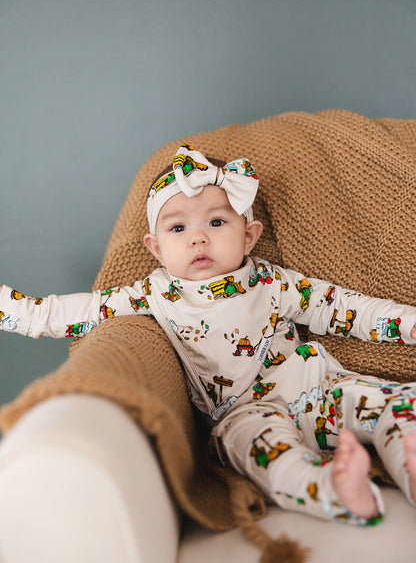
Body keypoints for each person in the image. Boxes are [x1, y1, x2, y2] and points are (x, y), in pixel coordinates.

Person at [2, 144, 416, 525]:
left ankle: (408, 459)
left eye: (217, 222)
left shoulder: (274, 283)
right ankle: (338, 491)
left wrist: (408, 323)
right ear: (157, 248)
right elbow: (72, 313)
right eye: (178, 228)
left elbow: (346, 308)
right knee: (268, 456)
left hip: (319, 387)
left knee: (395, 403)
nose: (198, 237)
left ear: (248, 236)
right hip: (244, 416)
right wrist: (11, 310)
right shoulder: (153, 295)